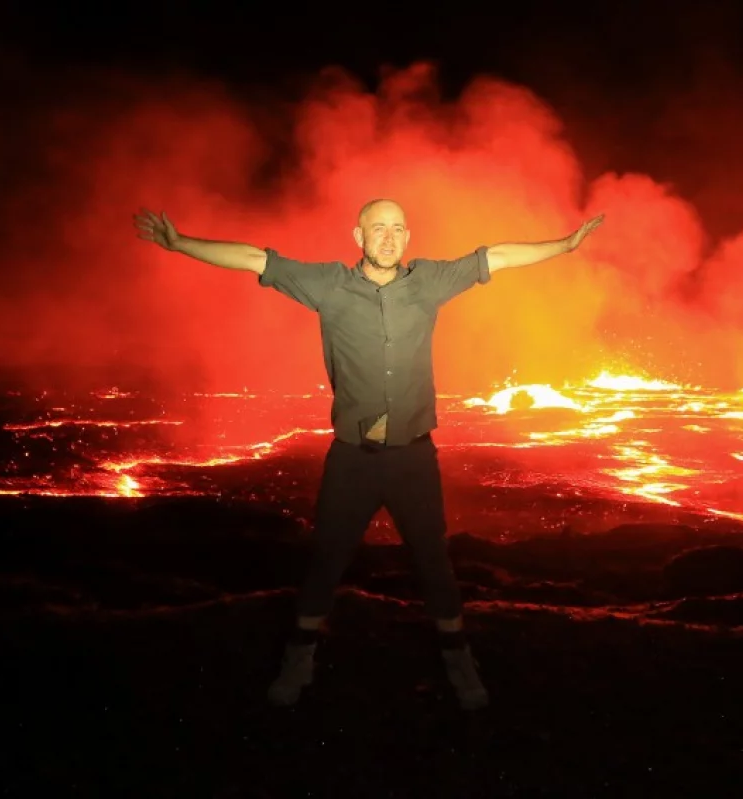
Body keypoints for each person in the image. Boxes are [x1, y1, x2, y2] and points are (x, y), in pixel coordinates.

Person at [134, 200, 603, 710]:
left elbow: (498, 256)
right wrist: (180, 244)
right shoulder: (329, 286)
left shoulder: (429, 282)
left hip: (413, 458)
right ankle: (300, 657)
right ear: (358, 235)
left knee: (434, 562)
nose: (389, 237)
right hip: (352, 459)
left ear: (407, 236)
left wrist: (565, 244)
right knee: (326, 559)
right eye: (378, 228)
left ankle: (458, 659)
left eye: (398, 228)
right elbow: (254, 259)